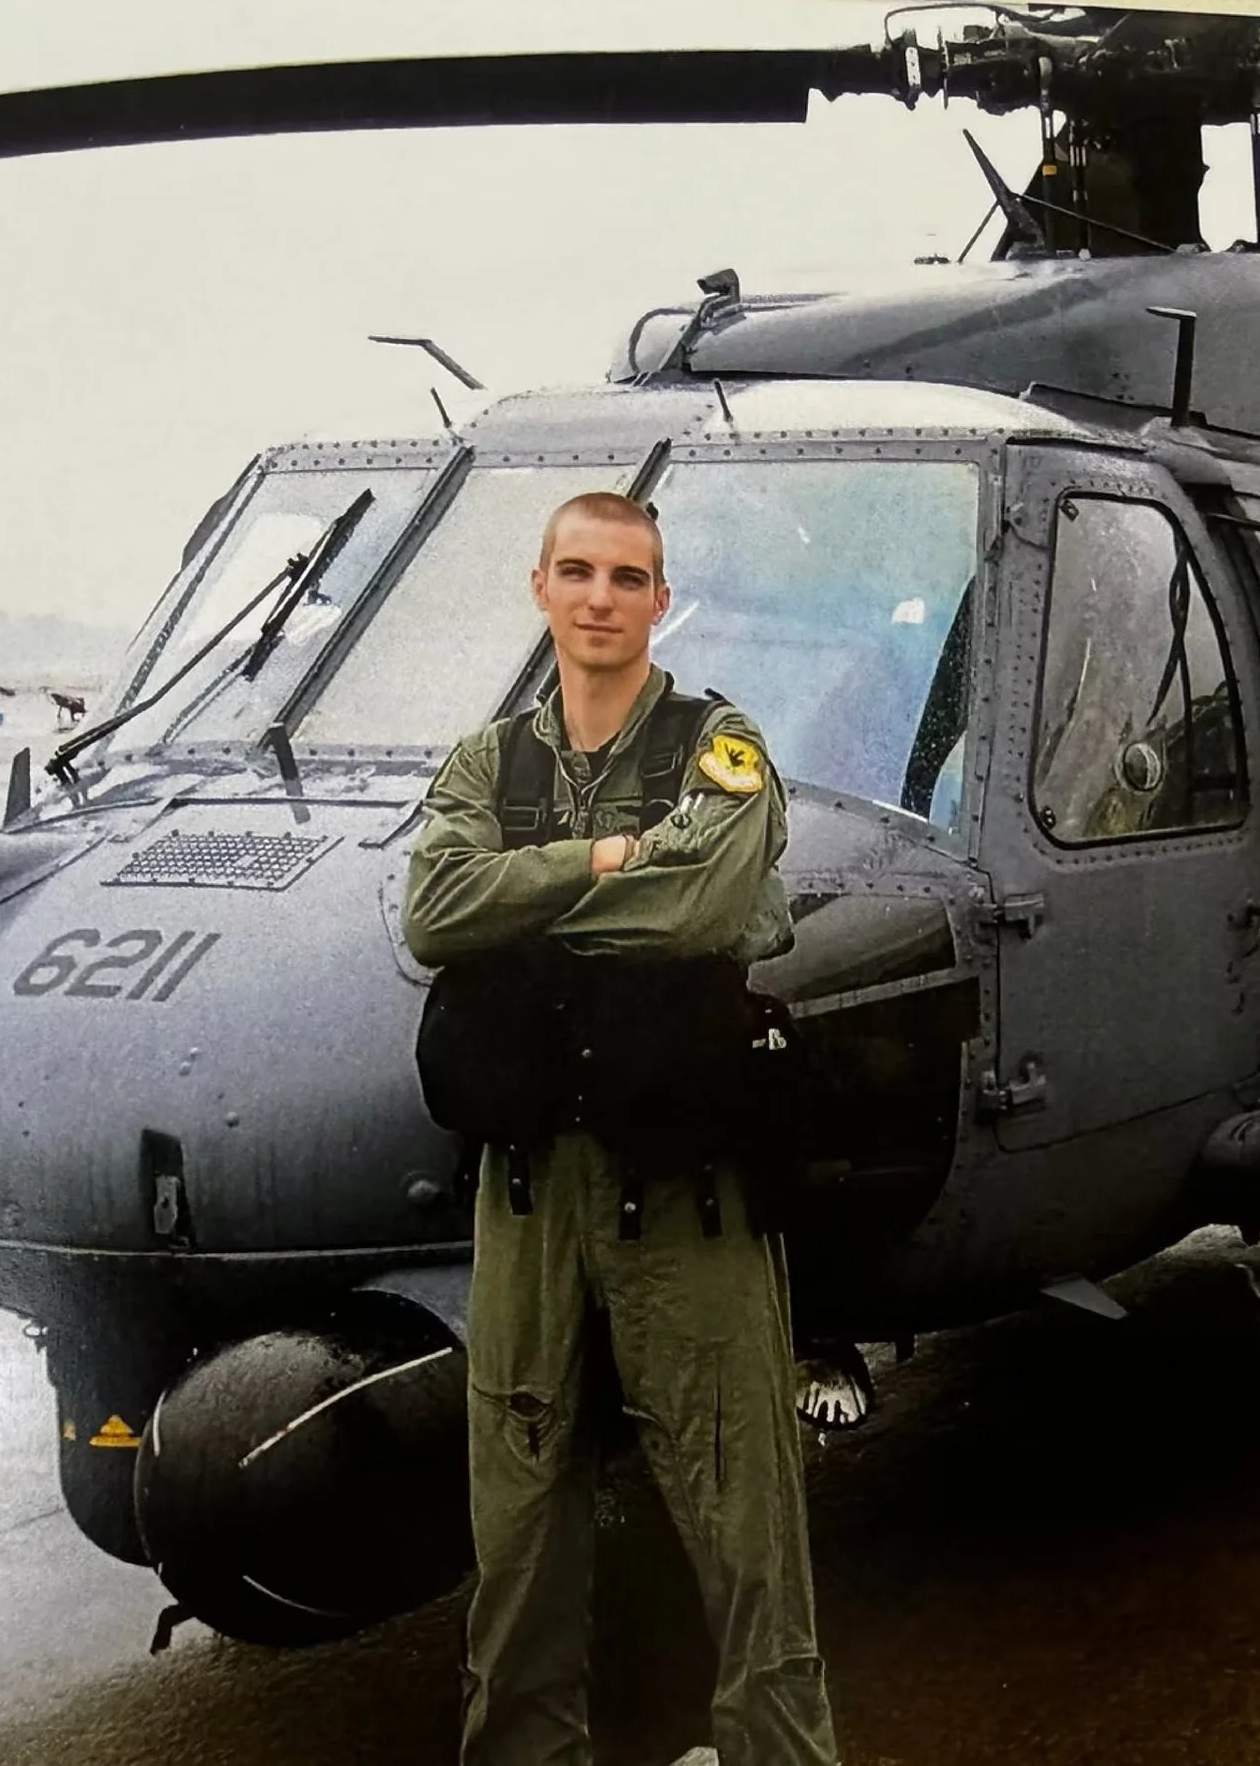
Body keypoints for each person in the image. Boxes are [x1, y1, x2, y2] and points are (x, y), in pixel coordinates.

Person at [404, 490, 838, 1766]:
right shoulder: (487, 761)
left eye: (628, 577)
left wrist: (520, 919)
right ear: (538, 587)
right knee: (519, 1510)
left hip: (685, 1195)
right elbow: (433, 913)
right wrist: (599, 862)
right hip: (530, 1195)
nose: (601, 597)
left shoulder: (721, 744)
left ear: (661, 600)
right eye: (578, 572)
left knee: (741, 1503)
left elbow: (704, 904)